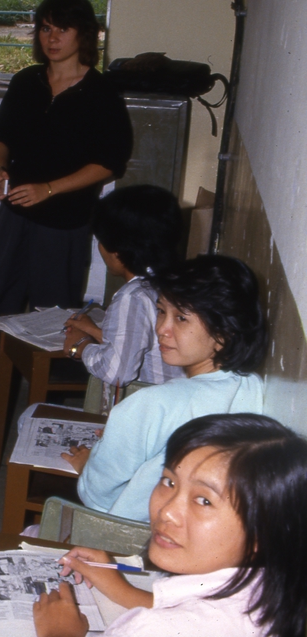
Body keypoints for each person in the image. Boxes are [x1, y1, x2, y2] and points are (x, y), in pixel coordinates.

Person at [0, 0, 133, 418]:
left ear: (84, 34)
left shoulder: (100, 93)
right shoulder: (26, 81)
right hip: (14, 214)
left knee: (54, 312)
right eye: (45, 28)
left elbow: (108, 164)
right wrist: (1, 169)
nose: (52, 38)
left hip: (64, 221)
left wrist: (49, 189)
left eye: (63, 28)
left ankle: (50, 402)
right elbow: (1, 139)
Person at [34, 413, 307, 637]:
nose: (166, 511)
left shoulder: (152, 630)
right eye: (169, 482)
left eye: (204, 501)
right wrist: (123, 590)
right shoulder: (272, 584)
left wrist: (59, 633)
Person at [66, 255, 265, 521]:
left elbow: (97, 496)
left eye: (181, 318)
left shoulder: (152, 403)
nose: (162, 329)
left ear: (224, 331)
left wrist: (86, 465)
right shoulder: (251, 386)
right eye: (161, 311)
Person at [63, 185, 185, 411]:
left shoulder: (133, 296)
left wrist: (79, 346)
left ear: (118, 252)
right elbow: (147, 343)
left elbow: (117, 372)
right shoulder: (177, 281)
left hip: (150, 413)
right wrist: (94, 331)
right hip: (179, 405)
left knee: (30, 414)